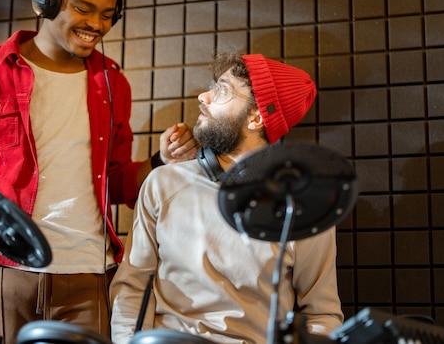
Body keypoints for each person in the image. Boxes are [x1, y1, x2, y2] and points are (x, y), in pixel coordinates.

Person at [0, 0, 198, 344]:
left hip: (88, 273)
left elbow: (118, 181)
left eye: (107, 14)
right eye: (84, 9)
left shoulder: (113, 83)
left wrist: (161, 161)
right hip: (2, 268)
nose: (97, 25)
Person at [110, 51, 344, 343]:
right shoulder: (164, 182)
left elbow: (322, 315)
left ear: (257, 117)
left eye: (222, 90)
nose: (203, 97)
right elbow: (131, 286)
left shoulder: (304, 208)